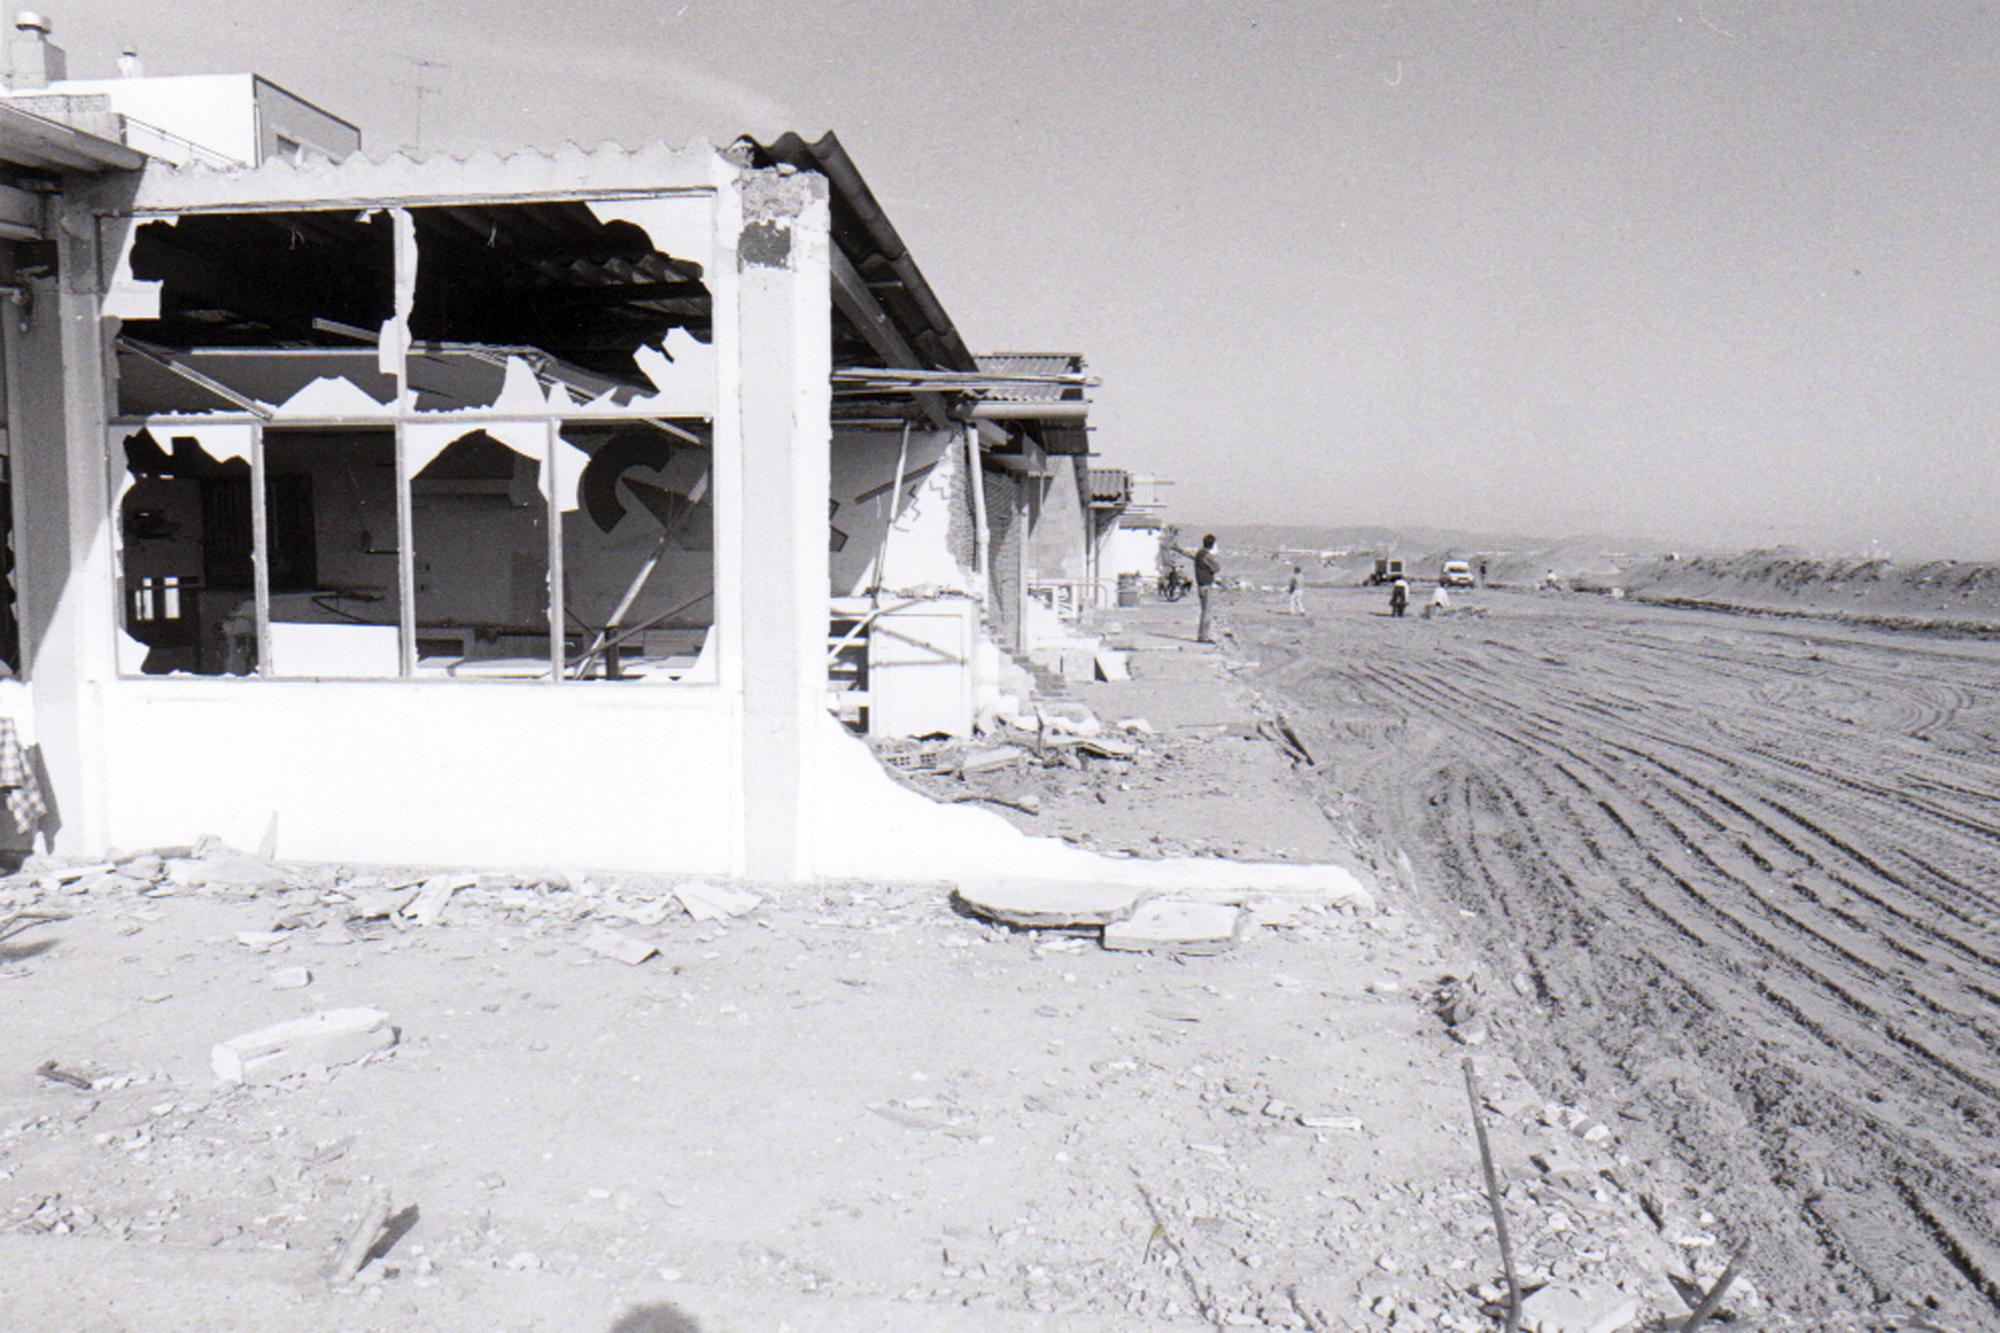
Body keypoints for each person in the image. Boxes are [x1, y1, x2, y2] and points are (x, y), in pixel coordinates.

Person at [1169, 532, 1222, 643]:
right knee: (1206, 612)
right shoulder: (1208, 556)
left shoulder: (1199, 554)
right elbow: (1216, 568)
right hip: (1206, 586)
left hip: (1200, 585)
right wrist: (1214, 555)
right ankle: (1203, 636)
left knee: (1204, 611)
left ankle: (1203, 635)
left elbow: (1189, 554)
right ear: (1212, 545)